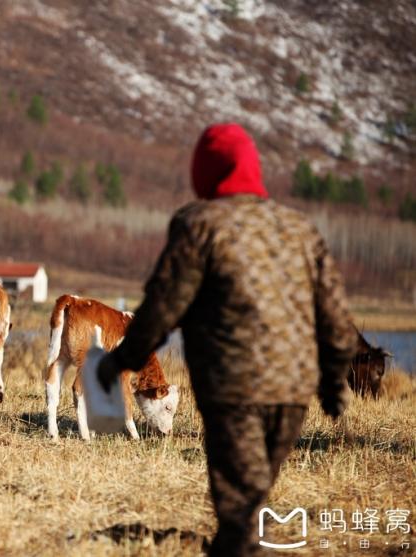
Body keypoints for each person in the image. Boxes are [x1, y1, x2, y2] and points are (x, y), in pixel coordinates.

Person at [97, 123, 357, 557]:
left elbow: (164, 305)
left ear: (204, 173)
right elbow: (334, 318)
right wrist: (332, 385)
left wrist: (123, 357)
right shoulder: (299, 228)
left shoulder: (199, 223)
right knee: (252, 494)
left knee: (239, 508)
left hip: (231, 385)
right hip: (292, 390)